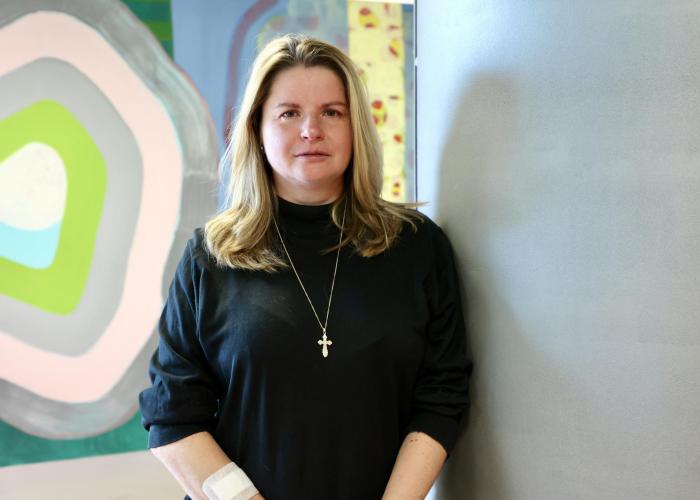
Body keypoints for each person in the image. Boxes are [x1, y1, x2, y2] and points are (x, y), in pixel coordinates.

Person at [138, 34, 472, 500]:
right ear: (257, 128)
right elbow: (172, 417)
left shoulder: (417, 246)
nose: (311, 130)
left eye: (331, 112)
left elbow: (443, 395)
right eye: (289, 113)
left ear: (356, 128)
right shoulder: (210, 257)